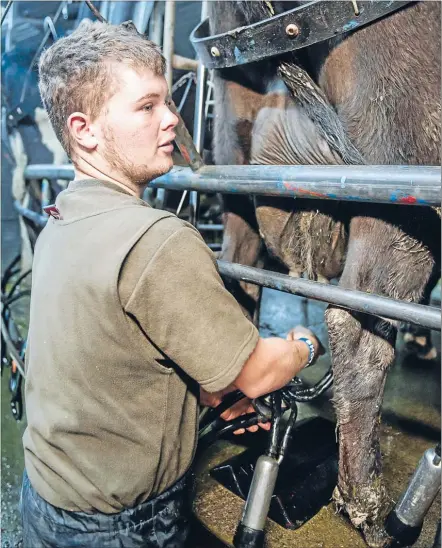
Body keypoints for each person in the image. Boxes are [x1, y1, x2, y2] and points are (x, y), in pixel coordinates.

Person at [20, 19, 323, 548]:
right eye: (147, 106)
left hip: (45, 496)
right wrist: (305, 344)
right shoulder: (156, 240)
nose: (171, 119)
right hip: (120, 526)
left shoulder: (61, 220)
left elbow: (115, 351)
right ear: (84, 129)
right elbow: (255, 372)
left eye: (166, 101)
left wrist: (209, 391)